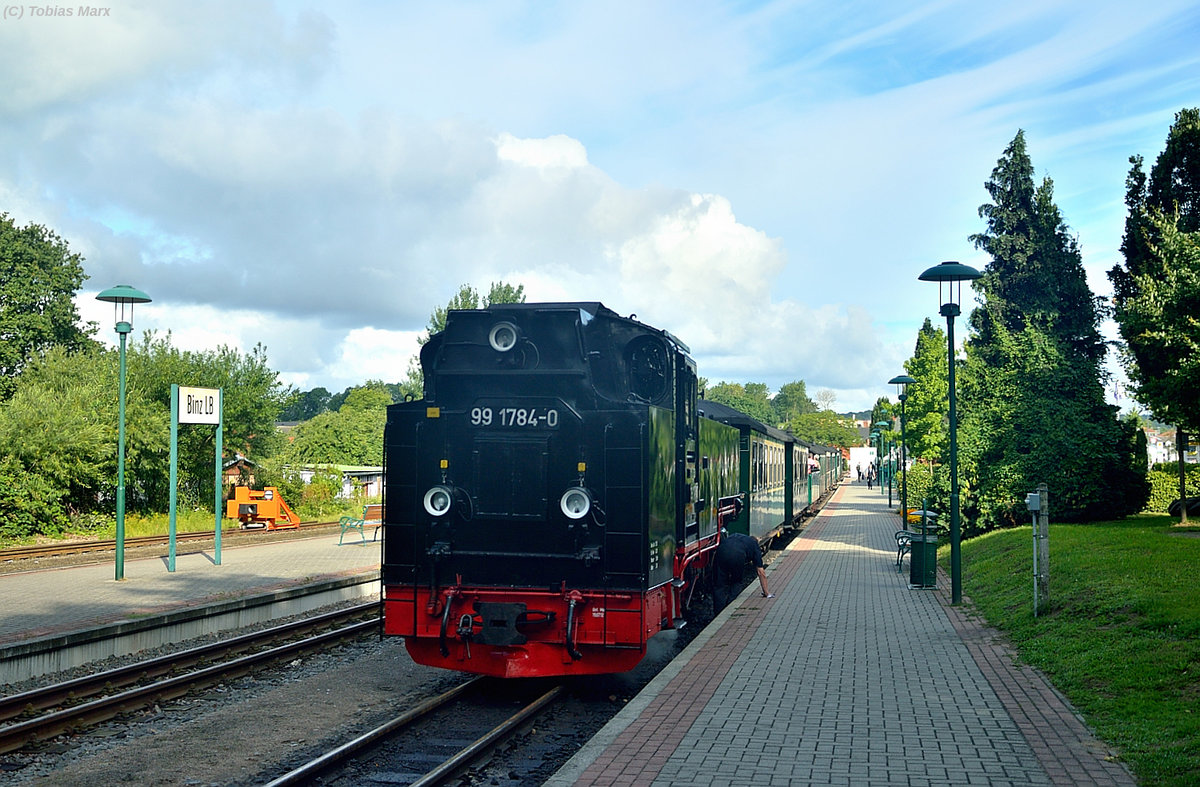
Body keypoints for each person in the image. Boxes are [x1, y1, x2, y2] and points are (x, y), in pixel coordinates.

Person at [713, 530, 772, 612]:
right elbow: (761, 572)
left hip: (721, 551)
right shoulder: (755, 546)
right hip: (738, 556)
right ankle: (729, 607)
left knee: (719, 584)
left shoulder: (737, 535)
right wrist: (766, 592)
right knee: (736, 581)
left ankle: (718, 611)